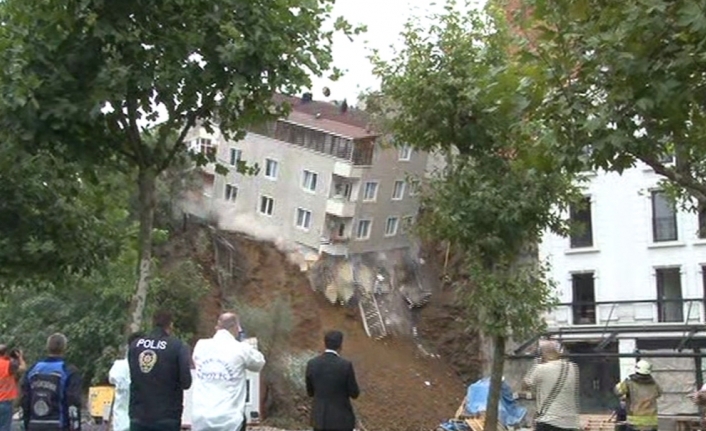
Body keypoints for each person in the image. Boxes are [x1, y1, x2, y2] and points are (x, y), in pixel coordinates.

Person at [191, 312, 265, 431]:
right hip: (229, 420)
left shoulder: (200, 346)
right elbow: (259, 363)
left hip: (201, 417)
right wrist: (247, 345)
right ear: (235, 327)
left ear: (218, 327)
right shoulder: (241, 348)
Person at [128, 310, 192, 431]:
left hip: (139, 414)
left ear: (152, 323)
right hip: (167, 415)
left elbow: (133, 375)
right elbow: (186, 382)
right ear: (170, 325)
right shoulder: (177, 346)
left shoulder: (135, 345)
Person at [20, 333, 82, 431]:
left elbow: (24, 399)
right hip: (59, 424)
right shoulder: (68, 371)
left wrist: (25, 424)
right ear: (64, 348)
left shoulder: (33, 369)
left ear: (47, 347)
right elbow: (73, 401)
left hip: (34, 423)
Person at [305, 330, 360, 431]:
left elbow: (310, 392)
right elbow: (354, 393)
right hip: (341, 420)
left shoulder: (312, 364)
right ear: (340, 345)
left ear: (325, 344)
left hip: (319, 419)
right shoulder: (345, 365)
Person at [522, 339, 580, 431]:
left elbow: (525, 385)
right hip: (571, 422)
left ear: (541, 355)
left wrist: (536, 364)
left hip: (549, 421)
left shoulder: (540, 368)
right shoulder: (573, 367)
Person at [108, 333, 143, 431]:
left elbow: (111, 379)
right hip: (141, 421)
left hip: (121, 422)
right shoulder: (147, 369)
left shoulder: (118, 366)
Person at [614, 360, 661, 431]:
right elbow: (659, 393)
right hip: (651, 424)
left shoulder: (629, 382)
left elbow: (618, 391)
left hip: (634, 423)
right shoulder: (654, 384)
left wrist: (625, 382)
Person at [0, 345, 26, 431]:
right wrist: (20, 357)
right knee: (4, 427)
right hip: (4, 401)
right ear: (5, 353)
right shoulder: (7, 365)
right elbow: (23, 368)